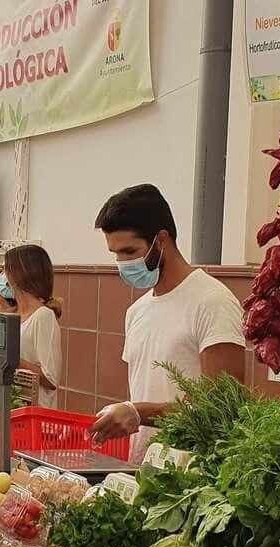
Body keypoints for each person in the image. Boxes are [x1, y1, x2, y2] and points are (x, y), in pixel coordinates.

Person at [90, 184, 245, 456]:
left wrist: (138, 412)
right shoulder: (137, 311)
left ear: (161, 241)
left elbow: (220, 404)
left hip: (193, 478)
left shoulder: (212, 302)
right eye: (115, 255)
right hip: (144, 473)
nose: (122, 263)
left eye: (129, 252)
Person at [0, 244, 63, 408]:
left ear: (20, 275)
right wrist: (1, 318)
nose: (1, 277)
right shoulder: (11, 314)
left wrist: (14, 360)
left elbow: (51, 379)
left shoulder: (43, 316)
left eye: (5, 270)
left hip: (34, 416)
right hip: (7, 409)